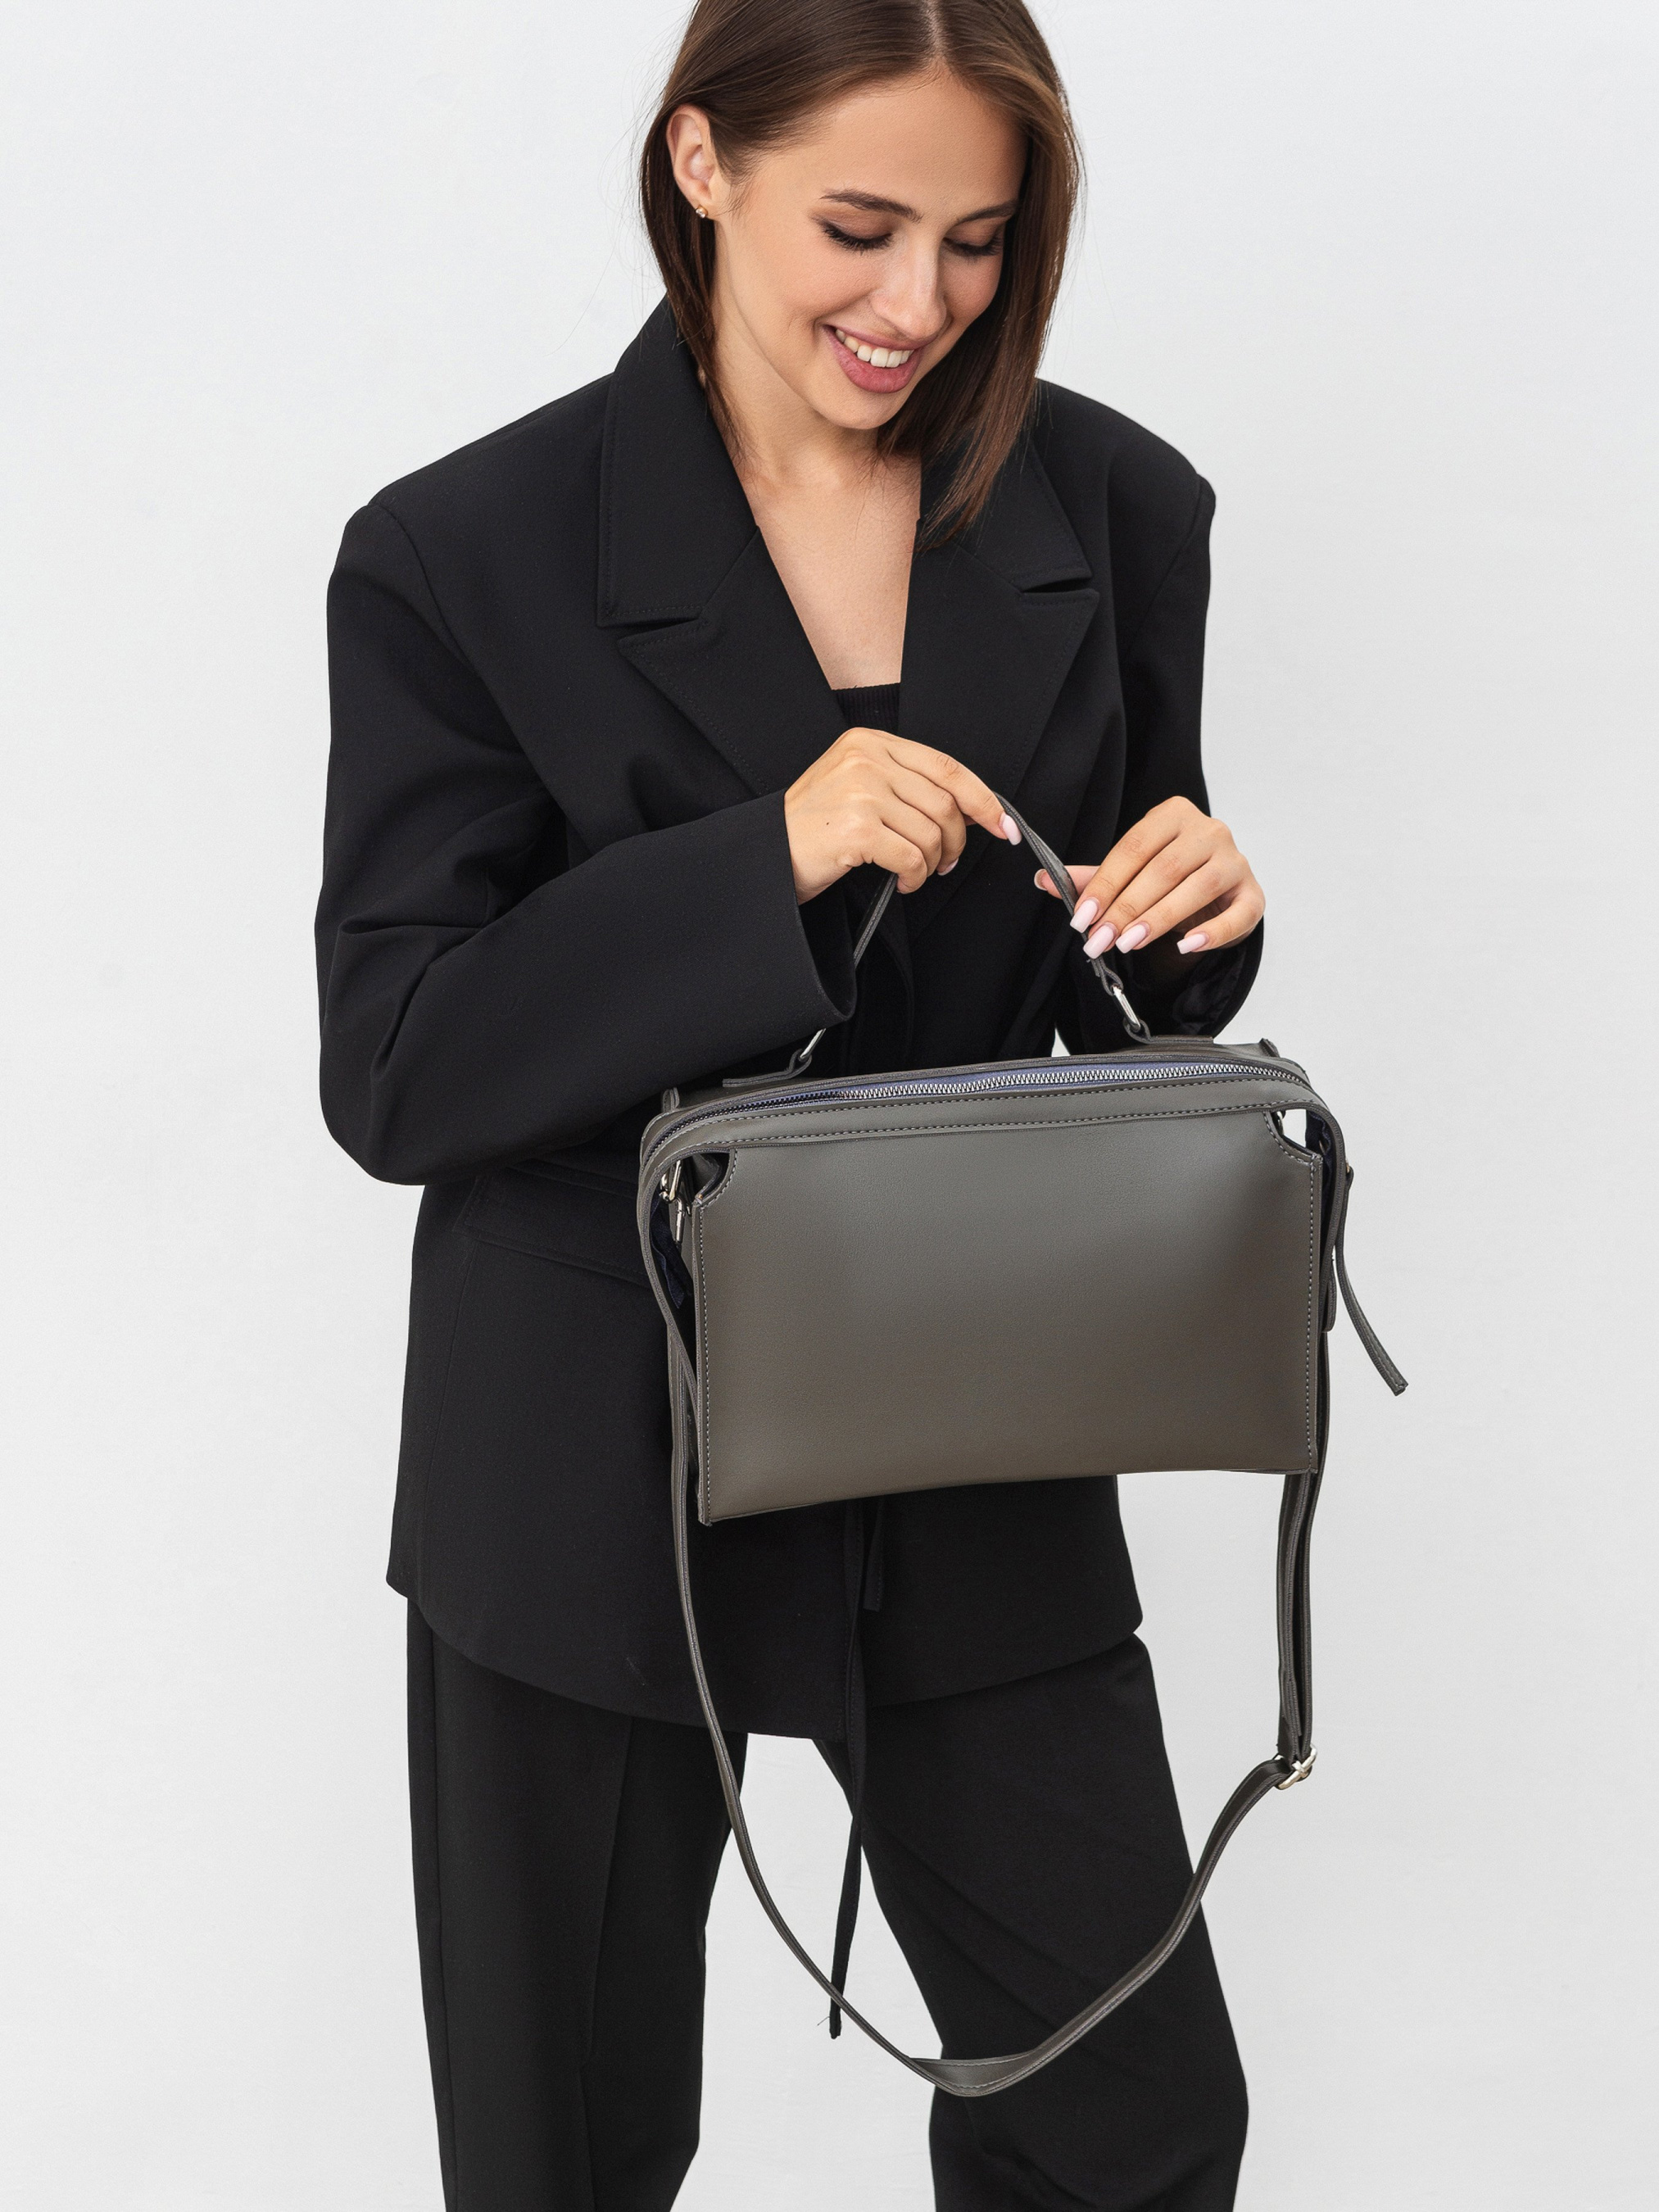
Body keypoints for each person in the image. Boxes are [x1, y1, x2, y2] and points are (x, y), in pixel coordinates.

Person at [317, 2, 1267, 2205]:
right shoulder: (461, 548)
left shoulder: (1116, 504)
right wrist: (765, 860)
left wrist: (1189, 915)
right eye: (860, 226)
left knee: (1130, 2119)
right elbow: (399, 1061)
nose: (919, 303)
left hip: (973, 1412)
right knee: (564, 2158)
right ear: (702, 164)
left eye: (976, 241)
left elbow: (1110, 1002)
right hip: (589, 1447)